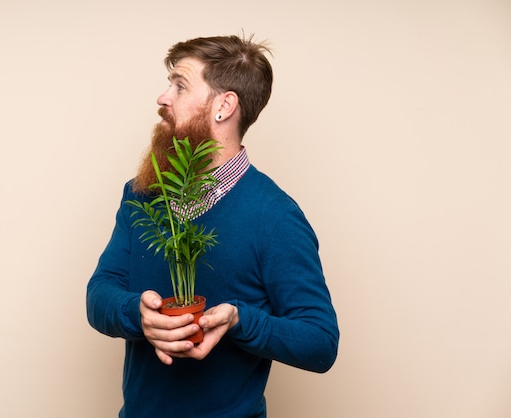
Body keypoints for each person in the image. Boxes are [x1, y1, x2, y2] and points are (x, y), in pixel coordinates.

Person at [86, 34, 339, 418]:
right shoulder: (143, 194)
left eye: (180, 85)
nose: (162, 97)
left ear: (224, 106)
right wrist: (136, 313)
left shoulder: (275, 216)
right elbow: (99, 293)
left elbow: (320, 342)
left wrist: (240, 320)